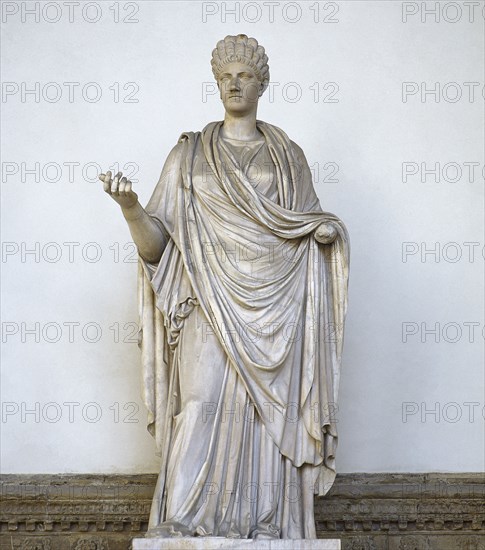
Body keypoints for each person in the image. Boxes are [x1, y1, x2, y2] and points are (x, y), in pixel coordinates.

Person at [99, 34, 349, 540]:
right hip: (204, 301)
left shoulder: (287, 156)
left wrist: (323, 233)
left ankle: (268, 522)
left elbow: (306, 223)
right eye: (226, 76)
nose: (235, 84)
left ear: (262, 84)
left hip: (273, 308)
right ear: (217, 84)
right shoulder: (187, 156)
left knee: (264, 415)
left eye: (245, 76)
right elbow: (157, 249)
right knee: (198, 401)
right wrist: (130, 209)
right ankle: (184, 519)